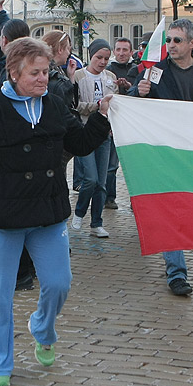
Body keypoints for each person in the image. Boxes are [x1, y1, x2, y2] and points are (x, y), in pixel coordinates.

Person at [0, 37, 112, 386]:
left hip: (47, 212)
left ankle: (42, 327)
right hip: (4, 219)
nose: (43, 78)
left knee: (59, 283)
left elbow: (79, 143)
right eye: (35, 72)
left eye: (46, 71)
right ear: (14, 73)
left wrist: (102, 117)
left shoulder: (55, 105)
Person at [132, 19, 193, 295]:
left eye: (176, 40)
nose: (170, 45)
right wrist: (137, 92)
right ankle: (176, 272)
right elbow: (131, 98)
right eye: (168, 40)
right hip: (165, 151)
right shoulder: (155, 71)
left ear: (192, 43)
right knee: (170, 207)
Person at [71, 39, 117, 238]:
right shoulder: (79, 76)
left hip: (104, 134)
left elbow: (115, 104)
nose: (103, 62)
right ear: (91, 56)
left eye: (106, 58)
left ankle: (96, 222)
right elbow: (75, 105)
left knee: (102, 182)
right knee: (90, 179)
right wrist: (97, 106)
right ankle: (80, 212)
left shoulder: (111, 77)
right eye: (99, 57)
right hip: (85, 132)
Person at [104, 38, 138, 209]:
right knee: (111, 165)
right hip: (112, 124)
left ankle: (137, 200)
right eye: (118, 49)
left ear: (131, 52)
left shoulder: (137, 69)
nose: (122, 53)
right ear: (114, 51)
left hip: (132, 125)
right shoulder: (108, 71)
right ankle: (109, 197)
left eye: (125, 50)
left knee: (134, 166)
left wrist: (130, 86)